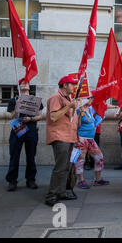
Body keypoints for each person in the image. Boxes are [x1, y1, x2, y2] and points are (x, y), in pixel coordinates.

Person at [45, 75, 80, 207]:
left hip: (68, 136)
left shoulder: (67, 98)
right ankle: (51, 195)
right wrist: (69, 106)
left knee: (66, 167)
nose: (74, 87)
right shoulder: (56, 97)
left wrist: (78, 111)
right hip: (60, 136)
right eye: (72, 84)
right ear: (65, 85)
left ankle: (61, 191)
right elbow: (53, 116)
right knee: (60, 167)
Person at [5, 79, 43, 191]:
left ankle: (31, 180)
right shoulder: (13, 100)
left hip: (31, 130)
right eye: (22, 82)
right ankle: (12, 181)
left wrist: (30, 118)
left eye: (26, 82)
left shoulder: (36, 101)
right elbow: (13, 116)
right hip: (17, 131)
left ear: (29, 87)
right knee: (14, 156)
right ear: (19, 86)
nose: (24, 84)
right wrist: (17, 106)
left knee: (31, 156)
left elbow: (40, 116)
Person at [74, 95, 109, 189]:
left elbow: (92, 121)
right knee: (80, 160)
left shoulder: (90, 109)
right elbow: (77, 125)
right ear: (83, 99)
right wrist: (80, 115)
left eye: (92, 98)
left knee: (99, 157)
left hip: (90, 138)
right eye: (89, 98)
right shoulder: (78, 110)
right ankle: (81, 180)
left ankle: (98, 180)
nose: (91, 100)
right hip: (81, 138)